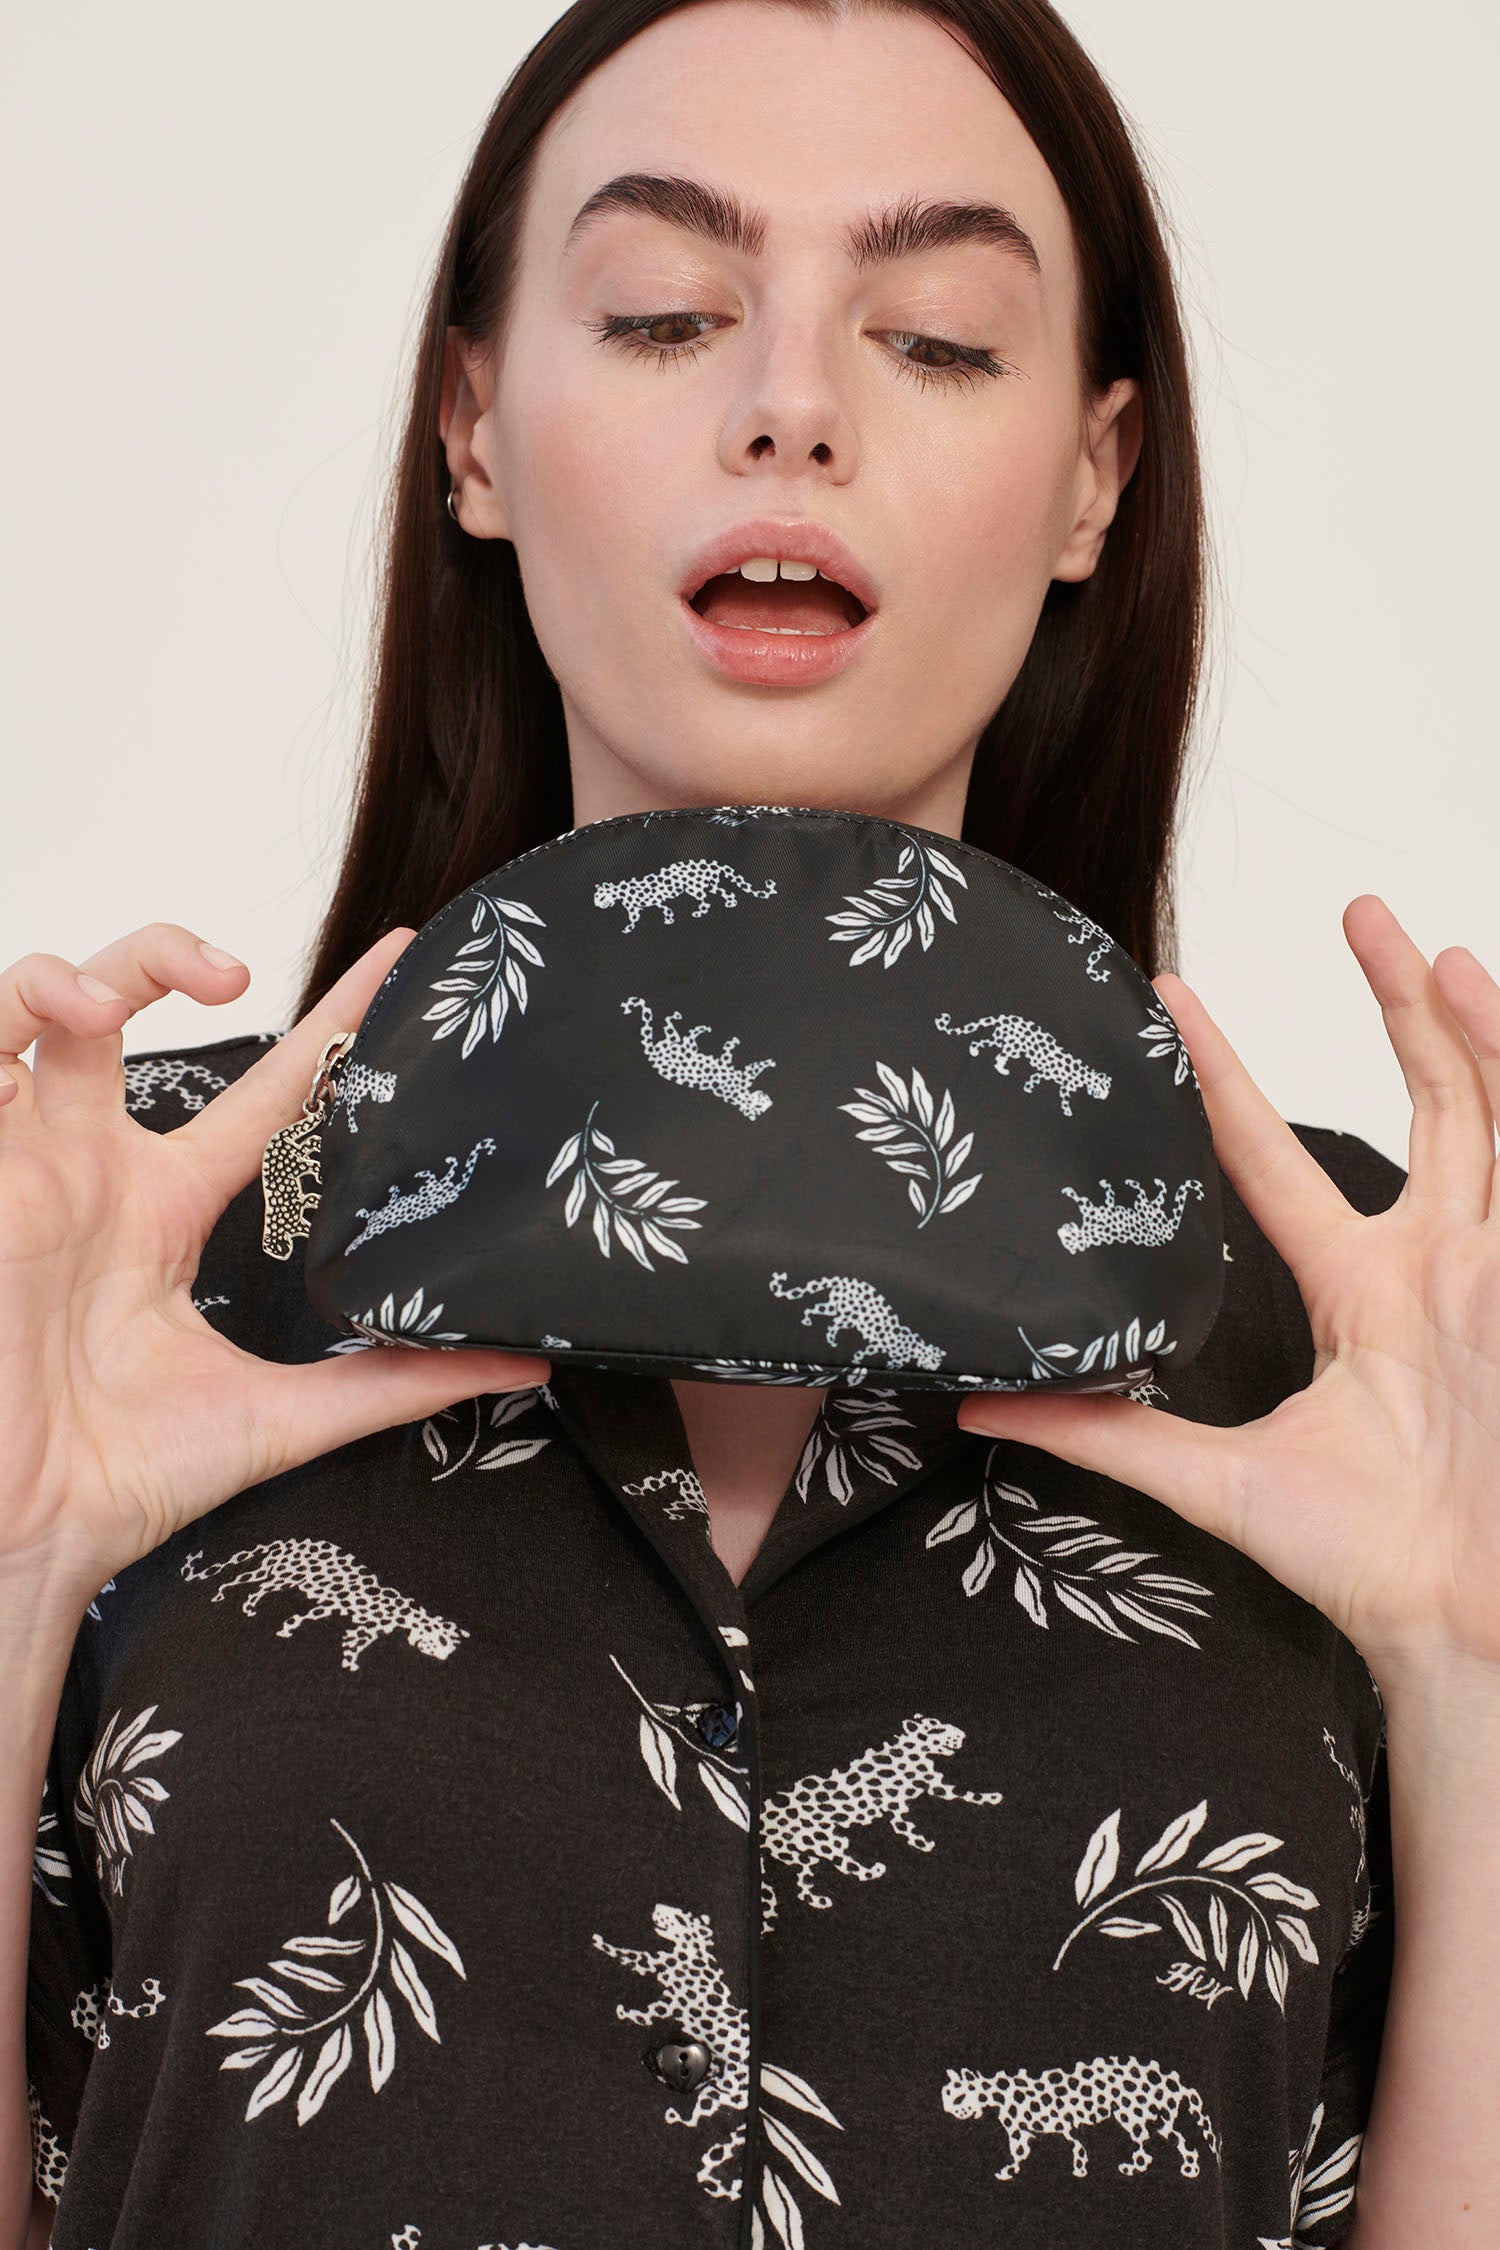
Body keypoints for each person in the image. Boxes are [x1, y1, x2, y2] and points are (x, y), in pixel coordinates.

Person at [14, 0, 1486, 2243]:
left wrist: (1475, 1677)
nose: (791, 407)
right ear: (475, 428)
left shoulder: (1369, 1354)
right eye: (665, 311)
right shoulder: (107, 1279)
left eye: (936, 337)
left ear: (1094, 479)